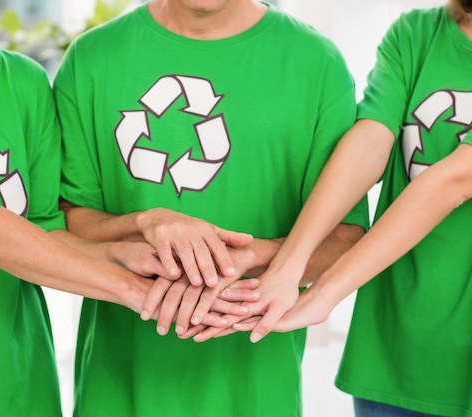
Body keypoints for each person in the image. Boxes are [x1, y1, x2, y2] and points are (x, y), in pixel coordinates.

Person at [0, 0, 256, 415]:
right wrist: (141, 292)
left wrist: (140, 250)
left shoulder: (24, 81)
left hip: (17, 377)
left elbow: (48, 232)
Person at [53, 0, 369, 416]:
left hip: (255, 392)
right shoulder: (92, 57)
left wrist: (248, 260)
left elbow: (346, 240)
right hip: (117, 389)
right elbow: (68, 225)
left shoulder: (316, 63)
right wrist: (150, 226)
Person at [213, 0, 472, 416]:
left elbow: (451, 182)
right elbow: (369, 143)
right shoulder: (415, 34)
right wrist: (288, 266)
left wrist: (327, 291)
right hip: (391, 353)